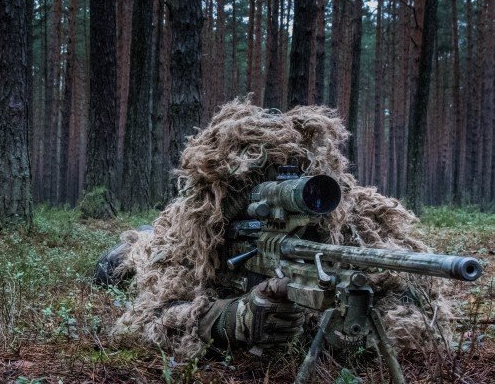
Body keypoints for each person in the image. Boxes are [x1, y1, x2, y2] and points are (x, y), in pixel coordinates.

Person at [94, 100, 450, 358]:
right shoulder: (197, 234)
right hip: (180, 244)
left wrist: (340, 329)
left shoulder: (353, 226)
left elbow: (420, 309)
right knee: (117, 263)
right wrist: (228, 320)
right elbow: (147, 319)